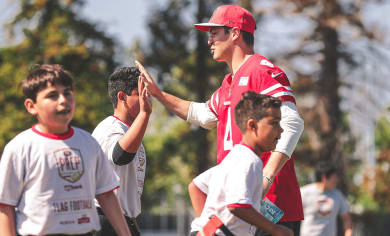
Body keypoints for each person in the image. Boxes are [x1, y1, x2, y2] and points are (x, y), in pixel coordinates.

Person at [136, 4, 304, 235]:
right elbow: (203, 115)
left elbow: (292, 124)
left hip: (271, 205)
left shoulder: (261, 70)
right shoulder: (228, 83)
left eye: (214, 33)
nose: (209, 41)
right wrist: (158, 93)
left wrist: (266, 177)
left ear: (234, 33)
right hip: (240, 211)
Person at [0, 64, 131, 236]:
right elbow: (5, 206)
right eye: (52, 95)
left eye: (67, 93)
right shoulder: (20, 148)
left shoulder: (89, 143)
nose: (63, 100)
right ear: (31, 106)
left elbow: (106, 195)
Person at [189, 91, 292, 236]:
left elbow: (196, 186)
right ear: (252, 125)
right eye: (274, 123)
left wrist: (205, 227)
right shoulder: (249, 160)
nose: (281, 130)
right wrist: (275, 229)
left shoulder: (235, 157)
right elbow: (237, 205)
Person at [91, 67, 152, 236]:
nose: (147, 99)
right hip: (105, 222)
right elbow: (120, 156)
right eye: (140, 94)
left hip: (124, 222)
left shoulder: (128, 130)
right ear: (122, 97)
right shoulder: (110, 129)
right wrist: (145, 114)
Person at [300, 162, 353, 236]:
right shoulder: (304, 192)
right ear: (324, 177)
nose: (337, 180)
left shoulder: (337, 195)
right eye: (334, 177)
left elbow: (347, 220)